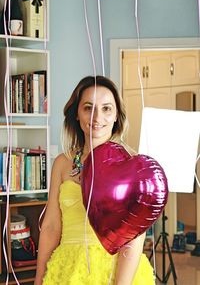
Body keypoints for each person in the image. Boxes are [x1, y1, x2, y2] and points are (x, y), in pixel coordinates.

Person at [34, 76, 155, 285]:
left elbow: (134, 237)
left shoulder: (132, 165)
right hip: (67, 270)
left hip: (116, 272)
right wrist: (39, 279)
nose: (97, 117)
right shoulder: (62, 163)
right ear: (77, 115)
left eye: (107, 108)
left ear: (117, 115)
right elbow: (52, 226)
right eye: (88, 108)